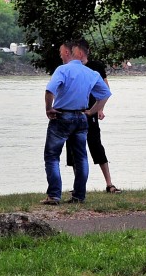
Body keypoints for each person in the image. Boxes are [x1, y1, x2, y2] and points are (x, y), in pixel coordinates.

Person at [43, 40, 111, 205]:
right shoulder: (91, 73)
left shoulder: (63, 70)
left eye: (64, 53)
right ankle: (79, 195)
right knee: (81, 157)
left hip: (62, 116)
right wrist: (92, 111)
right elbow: (106, 94)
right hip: (81, 117)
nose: (62, 56)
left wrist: (48, 108)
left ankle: (54, 195)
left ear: (72, 53)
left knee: (52, 156)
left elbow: (49, 90)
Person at [74, 39, 120, 193]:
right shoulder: (71, 68)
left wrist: (100, 108)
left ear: (82, 51)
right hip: (75, 111)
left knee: (96, 145)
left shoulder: (96, 66)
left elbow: (105, 89)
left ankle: (109, 183)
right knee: (74, 148)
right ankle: (79, 187)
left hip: (91, 111)